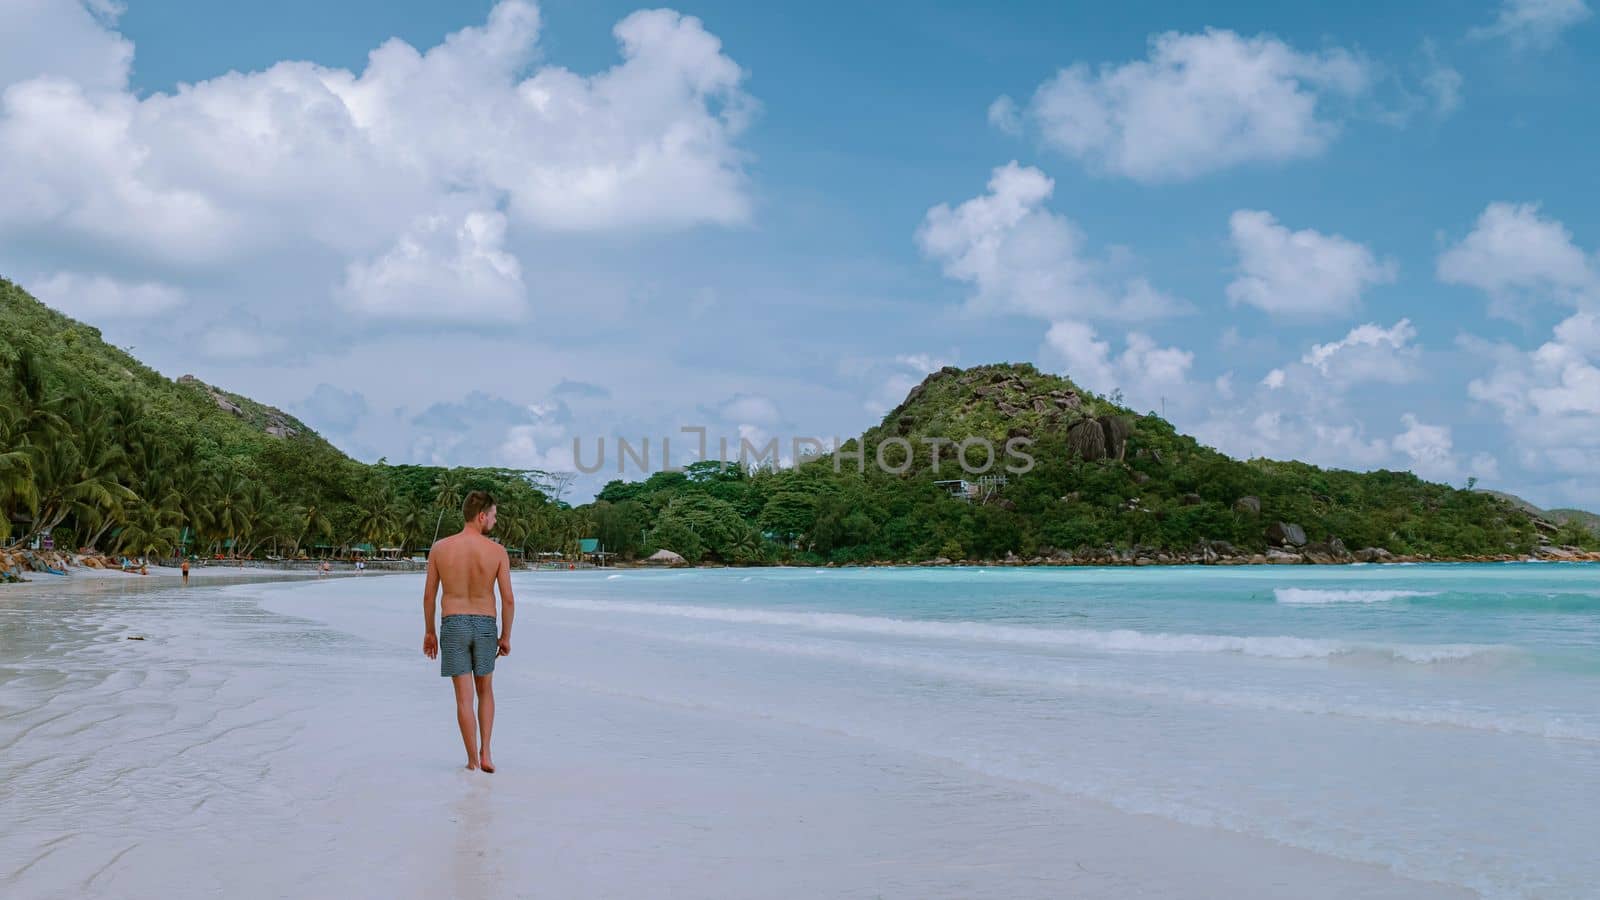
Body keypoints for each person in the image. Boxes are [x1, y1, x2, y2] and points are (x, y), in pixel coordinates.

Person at [422, 491, 515, 773]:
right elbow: (508, 599)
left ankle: (472, 761)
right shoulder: (497, 552)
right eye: (494, 515)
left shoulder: (440, 548)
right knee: (485, 691)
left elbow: (429, 596)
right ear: (481, 516)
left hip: (454, 623)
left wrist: (429, 632)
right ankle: (486, 753)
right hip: (486, 624)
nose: (495, 521)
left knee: (464, 698)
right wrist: (506, 636)